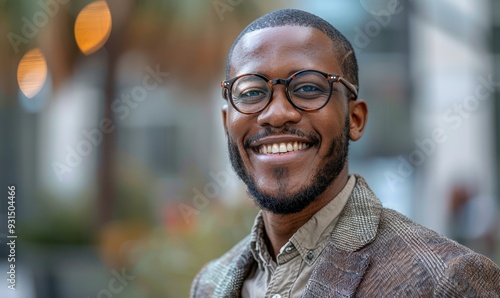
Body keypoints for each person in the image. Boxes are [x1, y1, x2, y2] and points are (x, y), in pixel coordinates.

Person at [190, 8, 500, 297]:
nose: (277, 113)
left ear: (355, 119)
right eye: (252, 92)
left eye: (308, 88)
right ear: (226, 122)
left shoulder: (447, 279)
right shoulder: (209, 283)